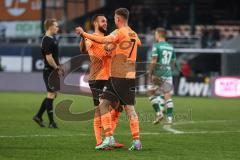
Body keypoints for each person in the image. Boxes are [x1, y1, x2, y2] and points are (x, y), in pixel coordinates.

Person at [76, 8, 142, 151]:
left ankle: (108, 137)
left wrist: (83, 33)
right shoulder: (134, 34)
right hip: (130, 76)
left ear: (118, 19)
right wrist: (114, 48)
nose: (110, 21)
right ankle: (136, 141)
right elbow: (137, 43)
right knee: (129, 109)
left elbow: (105, 40)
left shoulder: (118, 32)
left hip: (117, 76)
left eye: (112, 18)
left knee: (103, 106)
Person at [79, 14, 123, 149]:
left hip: (110, 78)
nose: (106, 23)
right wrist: (83, 37)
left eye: (106, 21)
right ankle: (100, 141)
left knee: (118, 106)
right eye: (103, 21)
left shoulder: (108, 38)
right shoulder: (91, 39)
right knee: (99, 110)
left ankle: (110, 137)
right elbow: (86, 49)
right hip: (98, 79)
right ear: (95, 23)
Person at [33, 18, 64, 128]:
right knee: (51, 94)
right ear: (50, 27)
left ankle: (38, 116)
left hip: (53, 71)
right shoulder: (47, 40)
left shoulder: (52, 39)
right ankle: (51, 122)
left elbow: (54, 57)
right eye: (56, 26)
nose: (57, 28)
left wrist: (59, 67)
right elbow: (49, 58)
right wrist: (57, 68)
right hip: (49, 71)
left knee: (53, 94)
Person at [148, 27, 178, 124]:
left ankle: (159, 113)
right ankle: (169, 118)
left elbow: (154, 60)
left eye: (155, 34)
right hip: (168, 73)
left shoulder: (157, 46)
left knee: (150, 92)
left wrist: (150, 72)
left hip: (158, 74)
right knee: (167, 95)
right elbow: (173, 63)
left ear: (159, 34)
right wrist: (169, 70)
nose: (155, 36)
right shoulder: (170, 47)